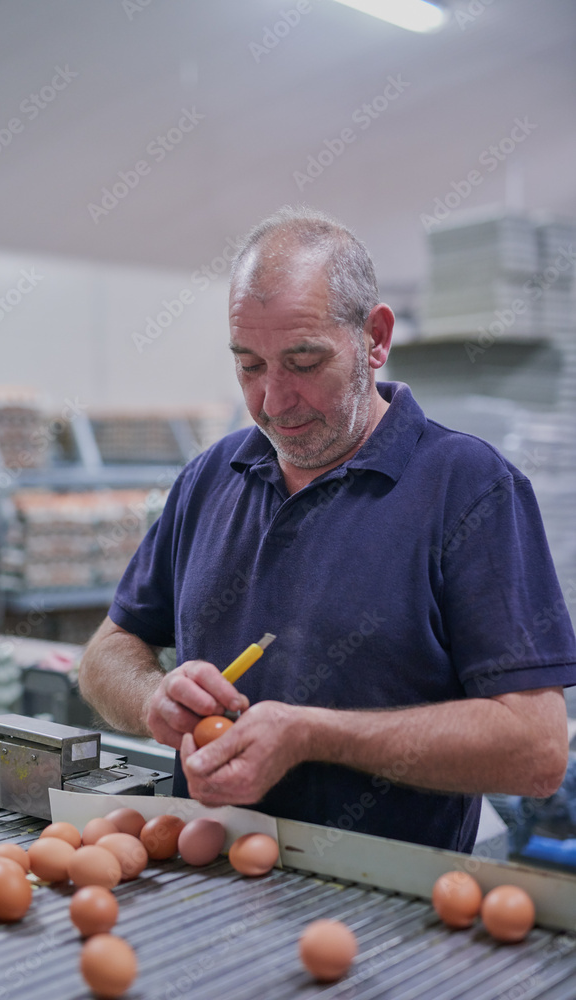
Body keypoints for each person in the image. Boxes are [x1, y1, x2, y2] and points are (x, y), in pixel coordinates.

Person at [79, 207, 576, 853]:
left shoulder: (470, 488)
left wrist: (313, 735)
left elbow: (534, 752)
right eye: (249, 365)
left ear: (374, 337)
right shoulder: (211, 477)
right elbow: (105, 652)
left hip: (386, 909)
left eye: (303, 361)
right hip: (203, 893)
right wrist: (152, 698)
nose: (273, 401)